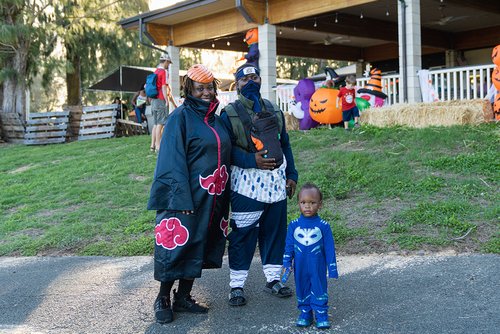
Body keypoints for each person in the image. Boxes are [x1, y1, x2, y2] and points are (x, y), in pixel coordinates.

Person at [147, 64, 231, 324]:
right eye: (200, 88)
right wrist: (179, 199)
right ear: (189, 89)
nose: (206, 92)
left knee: (200, 244)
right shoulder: (180, 118)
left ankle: (183, 296)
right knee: (176, 247)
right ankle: (162, 297)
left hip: (213, 198)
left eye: (209, 87)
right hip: (186, 199)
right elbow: (171, 161)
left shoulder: (215, 120)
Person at [220, 63, 298, 307]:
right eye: (245, 79)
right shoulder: (229, 114)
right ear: (237, 84)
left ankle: (273, 279)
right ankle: (236, 285)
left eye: (254, 77)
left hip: (276, 182)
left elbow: (284, 144)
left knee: (274, 232)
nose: (250, 82)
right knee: (243, 235)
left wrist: (292, 174)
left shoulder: (274, 110)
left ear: (260, 79)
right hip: (245, 184)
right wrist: (249, 159)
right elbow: (225, 152)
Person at [282, 183, 338, 329]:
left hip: (317, 266)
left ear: (320, 205)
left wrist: (332, 269)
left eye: (312, 203)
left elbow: (330, 249)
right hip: (299, 266)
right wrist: (287, 262)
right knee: (302, 287)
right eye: (303, 202)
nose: (307, 206)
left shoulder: (323, 226)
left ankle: (321, 315)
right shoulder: (293, 225)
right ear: (298, 204)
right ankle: (305, 313)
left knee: (319, 287)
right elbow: (288, 246)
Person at [150, 53, 178, 153]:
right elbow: (164, 87)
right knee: (161, 124)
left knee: (156, 123)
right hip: (161, 99)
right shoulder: (164, 72)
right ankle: (158, 146)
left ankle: (152, 146)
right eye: (169, 63)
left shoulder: (156, 71)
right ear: (165, 61)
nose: (169, 65)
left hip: (154, 100)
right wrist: (166, 100)